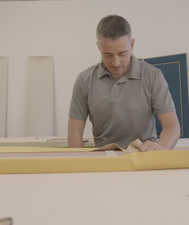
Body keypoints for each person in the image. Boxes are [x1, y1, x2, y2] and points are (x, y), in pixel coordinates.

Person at [67, 15, 180, 151]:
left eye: (122, 53)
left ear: (132, 44)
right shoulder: (84, 80)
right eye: (108, 55)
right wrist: (81, 163)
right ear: (98, 47)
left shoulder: (153, 76)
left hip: (144, 157)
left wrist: (162, 146)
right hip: (104, 159)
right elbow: (74, 131)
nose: (116, 62)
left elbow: (171, 124)